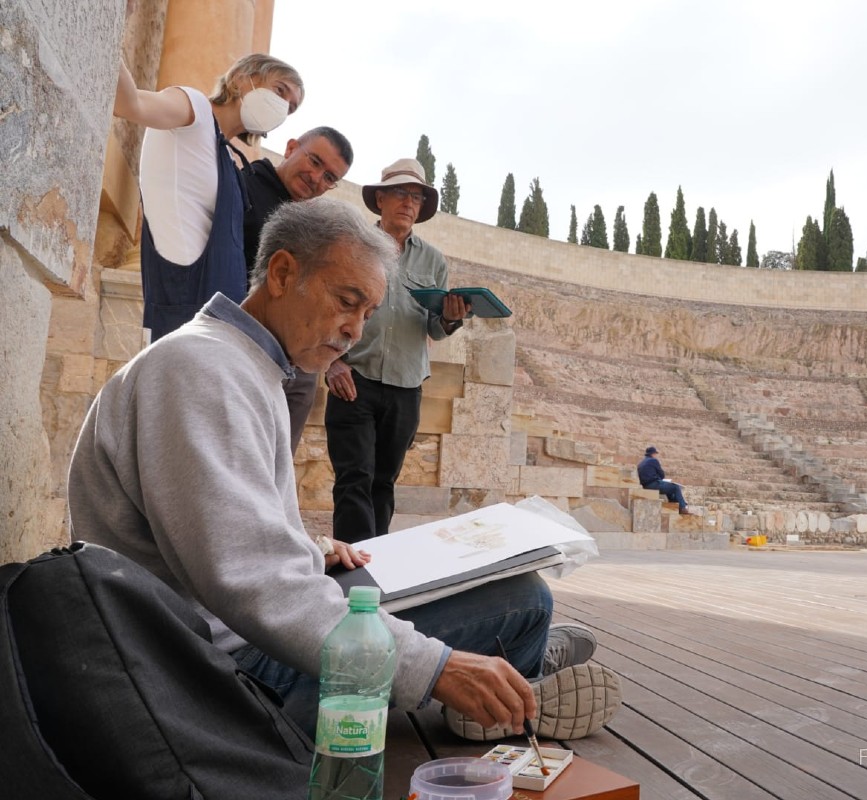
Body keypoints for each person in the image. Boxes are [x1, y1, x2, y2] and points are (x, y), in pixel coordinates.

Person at [67, 198, 619, 742]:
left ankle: (508, 675)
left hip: (219, 643)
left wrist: (309, 549)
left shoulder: (235, 363)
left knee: (473, 587)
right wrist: (440, 668)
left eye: (367, 314)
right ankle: (510, 685)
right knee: (521, 601)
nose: (355, 330)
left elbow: (218, 540)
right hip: (221, 682)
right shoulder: (202, 370)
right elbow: (251, 582)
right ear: (283, 273)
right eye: (346, 301)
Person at [324, 157, 468, 542]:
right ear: (381, 199)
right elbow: (325, 308)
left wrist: (452, 318)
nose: (409, 202)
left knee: (384, 483)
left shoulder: (434, 261)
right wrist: (333, 363)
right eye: (401, 193)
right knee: (354, 478)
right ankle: (354, 575)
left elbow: (434, 327)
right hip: (354, 379)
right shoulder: (352, 248)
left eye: (417, 197)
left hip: (406, 385)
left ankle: (376, 568)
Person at [113, 53, 303, 341]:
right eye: (280, 90)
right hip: (183, 301)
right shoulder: (194, 107)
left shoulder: (228, 156)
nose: (283, 106)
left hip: (220, 312)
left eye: (290, 107)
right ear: (241, 78)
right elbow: (129, 104)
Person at [242, 126, 354, 453]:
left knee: (278, 463)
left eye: (330, 177)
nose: (317, 178)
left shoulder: (311, 223)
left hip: (298, 366)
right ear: (291, 147)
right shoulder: (244, 187)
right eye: (315, 161)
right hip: (247, 349)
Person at [637, 446, 693, 515]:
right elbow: (662, 474)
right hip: (653, 484)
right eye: (655, 454)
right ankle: (683, 508)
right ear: (653, 454)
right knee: (675, 487)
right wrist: (658, 477)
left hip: (645, 485)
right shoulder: (653, 460)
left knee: (669, 489)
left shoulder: (641, 463)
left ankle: (676, 506)